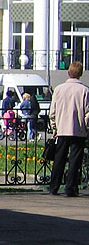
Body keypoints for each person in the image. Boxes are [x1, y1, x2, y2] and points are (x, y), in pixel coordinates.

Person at [48, 61, 89, 197]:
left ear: (68, 72)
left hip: (62, 129)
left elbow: (52, 111)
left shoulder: (59, 89)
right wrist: (86, 128)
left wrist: (55, 127)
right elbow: (88, 114)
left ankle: (54, 186)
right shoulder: (84, 90)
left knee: (59, 159)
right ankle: (70, 188)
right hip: (78, 130)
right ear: (81, 74)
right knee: (74, 161)